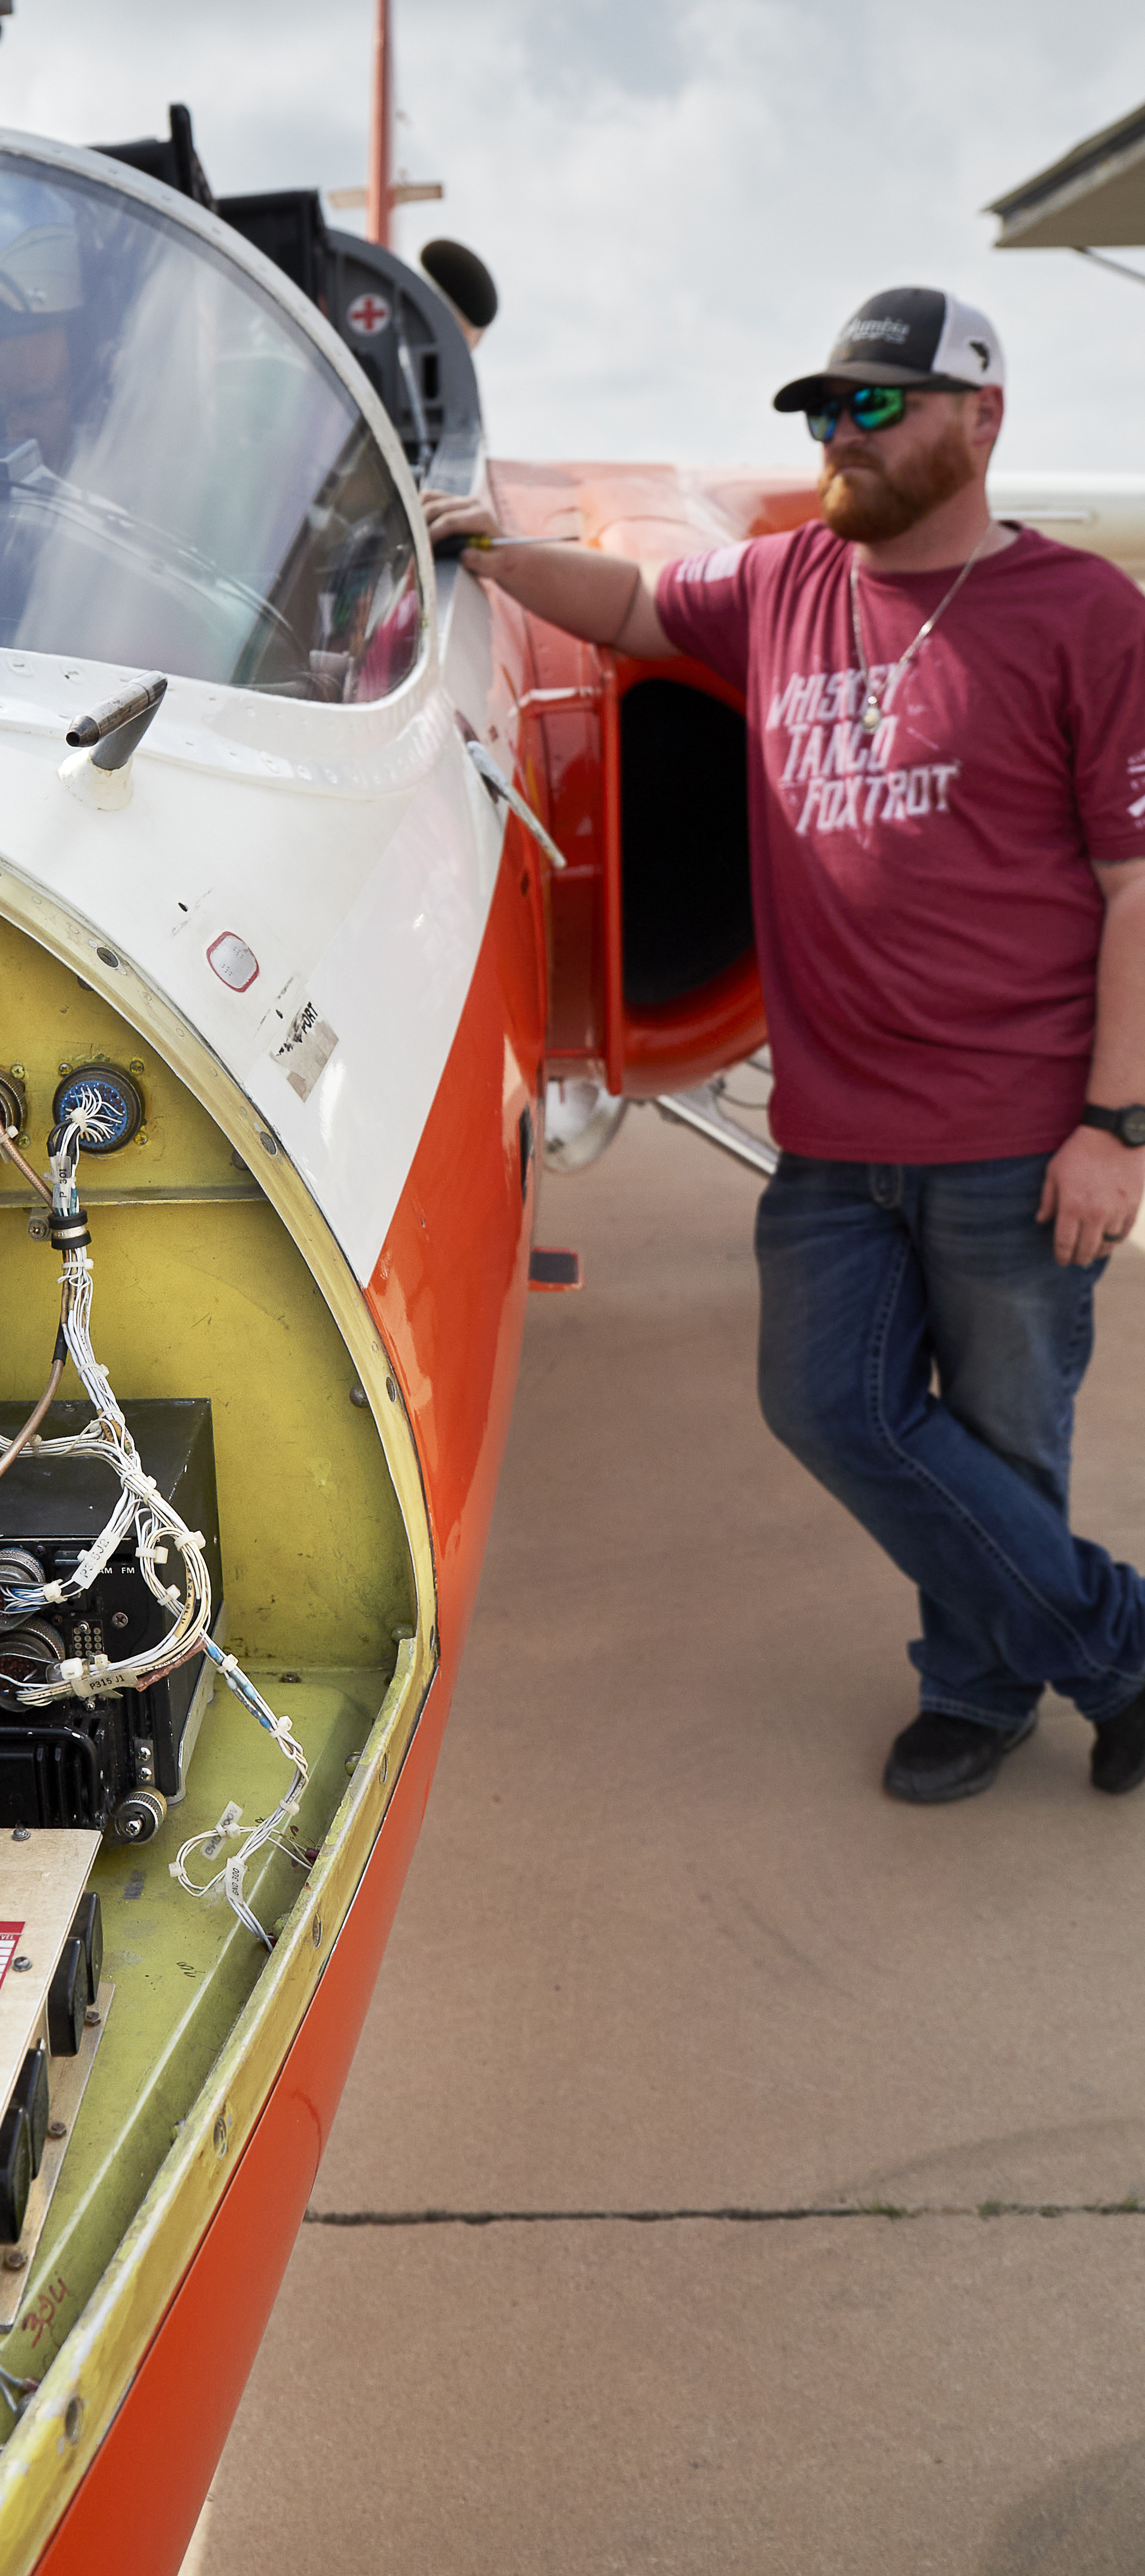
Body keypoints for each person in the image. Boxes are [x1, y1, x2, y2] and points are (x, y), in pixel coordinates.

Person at [426, 286, 1145, 1804]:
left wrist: (1116, 1127)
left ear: (982, 419)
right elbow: (632, 608)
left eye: (874, 406)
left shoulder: (1084, 614)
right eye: (823, 410)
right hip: (830, 1136)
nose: (838, 435)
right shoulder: (781, 583)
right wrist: (488, 553)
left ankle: (978, 1693)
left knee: (1005, 1438)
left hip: (1018, 1137)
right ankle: (1120, 1647)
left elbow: (1137, 887)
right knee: (826, 1401)